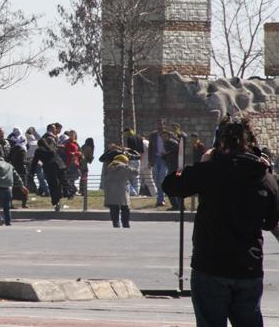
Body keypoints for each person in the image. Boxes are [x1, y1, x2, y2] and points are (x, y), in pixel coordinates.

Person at [163, 116, 279, 327]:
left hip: (210, 265)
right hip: (248, 266)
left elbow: (171, 185)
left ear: (220, 142)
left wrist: (202, 164)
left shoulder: (209, 171)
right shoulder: (264, 177)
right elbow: (271, 220)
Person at [0, 151, 26, 226]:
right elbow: (17, 176)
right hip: (8, 188)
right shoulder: (10, 165)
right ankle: (8, 221)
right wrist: (22, 186)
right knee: (6, 207)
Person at [104, 154, 138, 228]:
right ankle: (125, 225)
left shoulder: (109, 167)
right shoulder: (124, 167)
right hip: (122, 192)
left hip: (110, 193)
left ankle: (116, 225)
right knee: (125, 209)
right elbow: (135, 172)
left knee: (114, 210)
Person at [149, 118, 169, 207]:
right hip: (155, 159)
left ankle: (162, 199)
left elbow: (173, 146)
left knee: (162, 179)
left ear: (164, 125)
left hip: (164, 159)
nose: (159, 126)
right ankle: (159, 199)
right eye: (158, 124)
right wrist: (150, 161)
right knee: (156, 179)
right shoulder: (153, 135)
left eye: (161, 124)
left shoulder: (168, 135)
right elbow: (150, 149)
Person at [8, 133, 28, 208]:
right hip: (22, 171)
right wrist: (29, 162)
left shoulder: (12, 149)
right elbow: (22, 161)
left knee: (13, 187)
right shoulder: (22, 150)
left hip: (13, 170)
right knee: (23, 187)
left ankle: (11, 203)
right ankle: (24, 203)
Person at [123, 128, 144, 196]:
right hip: (138, 159)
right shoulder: (139, 137)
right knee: (137, 176)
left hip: (131, 159)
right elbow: (142, 150)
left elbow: (129, 150)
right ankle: (137, 192)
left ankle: (132, 192)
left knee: (130, 176)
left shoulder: (129, 138)